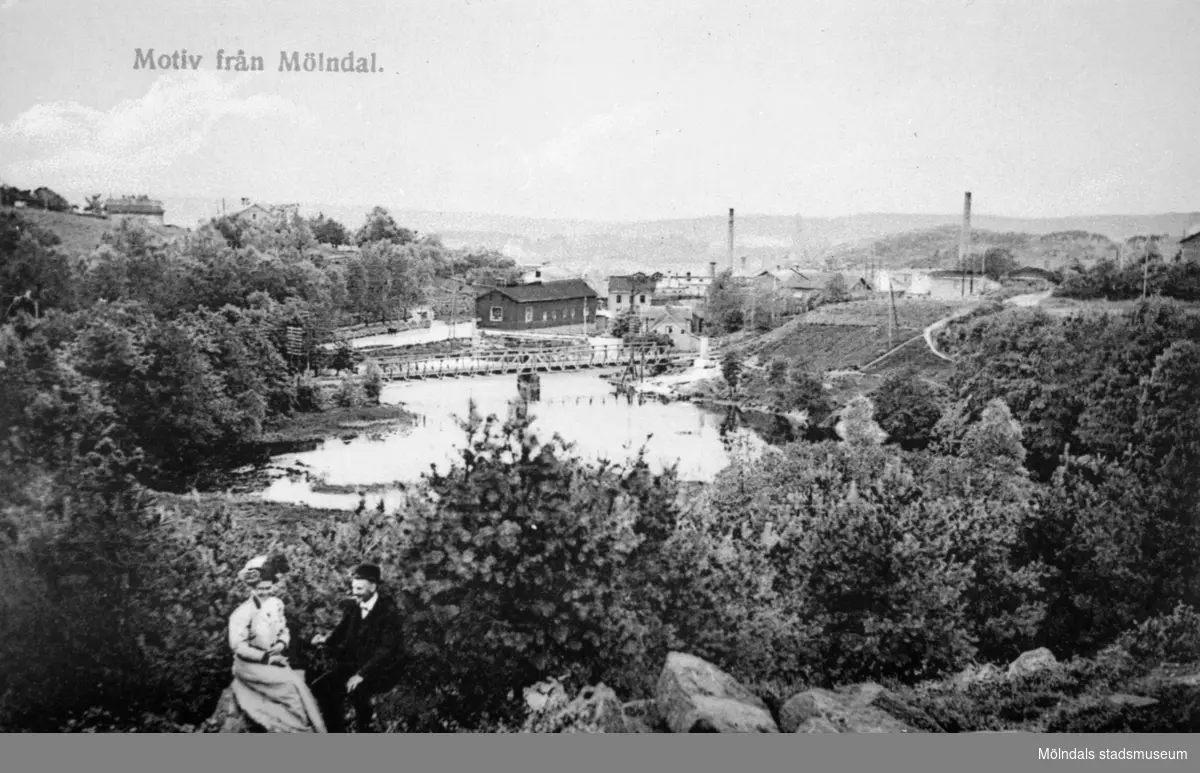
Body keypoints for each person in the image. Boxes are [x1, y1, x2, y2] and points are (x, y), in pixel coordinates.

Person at [226, 553, 327, 733]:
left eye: (268, 588)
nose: (264, 592)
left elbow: (284, 630)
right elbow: (238, 647)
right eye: (260, 589)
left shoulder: (276, 604)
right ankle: (298, 729)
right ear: (252, 588)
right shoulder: (242, 613)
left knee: (298, 686)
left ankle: (315, 729)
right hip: (250, 664)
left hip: (274, 657)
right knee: (291, 688)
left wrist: (280, 645)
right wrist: (266, 657)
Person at [310, 563, 405, 732]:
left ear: (373, 586)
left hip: (380, 670)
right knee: (320, 687)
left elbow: (386, 650)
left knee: (358, 691)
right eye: (353, 587)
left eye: (360, 588)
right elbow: (340, 631)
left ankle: (364, 730)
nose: (355, 592)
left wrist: (361, 675)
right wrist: (324, 641)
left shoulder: (388, 611)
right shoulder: (354, 606)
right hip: (354, 665)